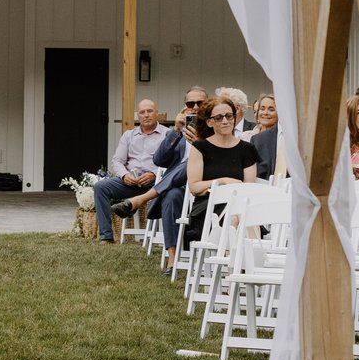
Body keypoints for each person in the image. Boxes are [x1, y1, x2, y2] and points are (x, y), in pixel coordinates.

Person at [182, 95, 260, 246]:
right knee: (238, 217)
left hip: (239, 206)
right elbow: (194, 187)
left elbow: (249, 188)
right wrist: (223, 181)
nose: (225, 121)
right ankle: (241, 265)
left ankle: (235, 262)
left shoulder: (247, 149)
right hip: (208, 209)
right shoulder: (200, 148)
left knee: (240, 215)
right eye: (218, 118)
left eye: (229, 116)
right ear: (209, 122)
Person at [95, 98, 169, 242]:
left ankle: (163, 236)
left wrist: (154, 174)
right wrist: (124, 175)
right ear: (138, 116)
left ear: (157, 113)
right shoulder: (129, 135)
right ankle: (106, 237)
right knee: (100, 187)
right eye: (142, 112)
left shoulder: (167, 135)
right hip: (130, 182)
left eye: (150, 111)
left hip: (156, 184)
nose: (146, 115)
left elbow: (173, 163)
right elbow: (117, 161)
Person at [152, 87, 210, 247]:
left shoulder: (216, 128)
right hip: (179, 185)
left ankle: (145, 197)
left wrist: (200, 143)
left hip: (205, 183)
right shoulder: (179, 132)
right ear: (185, 106)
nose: (196, 107)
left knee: (190, 162)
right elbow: (158, 160)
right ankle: (172, 255)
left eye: (200, 103)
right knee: (171, 196)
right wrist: (176, 129)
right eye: (191, 104)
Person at [250, 94, 281, 179]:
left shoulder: (281, 139)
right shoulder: (254, 139)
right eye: (262, 109)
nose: (265, 113)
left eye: (271, 109)